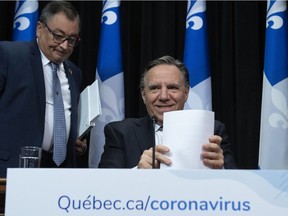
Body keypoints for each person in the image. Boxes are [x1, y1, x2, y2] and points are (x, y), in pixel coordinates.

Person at [99, 55, 237, 169]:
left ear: (186, 93)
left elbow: (237, 188)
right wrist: (138, 171)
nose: (164, 96)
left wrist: (221, 169)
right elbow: (104, 186)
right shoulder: (120, 132)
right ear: (143, 94)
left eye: (172, 88)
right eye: (154, 88)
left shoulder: (212, 130)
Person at [0, 1, 87, 178]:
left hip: (59, 173)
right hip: (12, 169)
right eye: (58, 36)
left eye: (71, 40)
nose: (64, 46)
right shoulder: (9, 55)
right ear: (40, 28)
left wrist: (72, 142)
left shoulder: (74, 73)